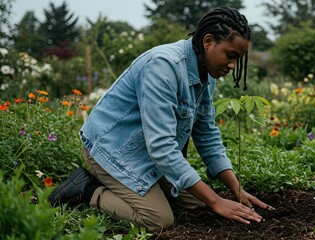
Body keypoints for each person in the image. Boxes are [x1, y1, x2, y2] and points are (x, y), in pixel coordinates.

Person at [49, 6, 274, 230]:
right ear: (207, 42)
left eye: (239, 59)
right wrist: (216, 201)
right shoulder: (163, 66)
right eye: (230, 55)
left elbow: (207, 135)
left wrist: (237, 190)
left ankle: (141, 187)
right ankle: (86, 188)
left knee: (198, 204)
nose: (233, 65)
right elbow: (161, 146)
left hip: (148, 152)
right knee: (158, 219)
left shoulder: (207, 73)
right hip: (111, 149)